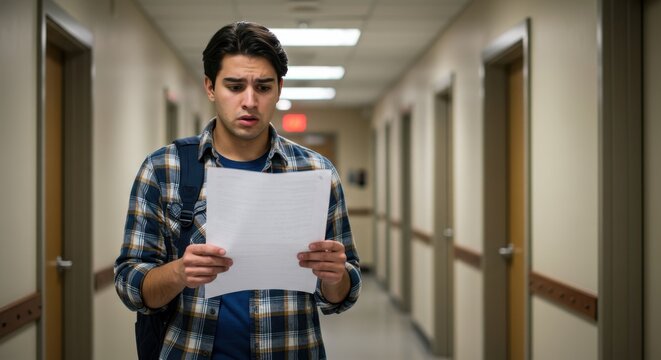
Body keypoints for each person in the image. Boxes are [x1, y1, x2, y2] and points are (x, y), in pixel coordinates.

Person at [114, 21, 361, 359]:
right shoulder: (164, 169)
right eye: (234, 86)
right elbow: (130, 284)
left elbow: (341, 294)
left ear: (279, 88)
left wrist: (335, 276)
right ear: (210, 87)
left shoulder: (316, 173)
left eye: (263, 87)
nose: (250, 101)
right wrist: (179, 273)